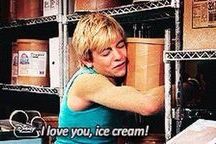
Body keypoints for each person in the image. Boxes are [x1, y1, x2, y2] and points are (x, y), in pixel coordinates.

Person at [55, 13, 164, 144]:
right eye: (106, 53)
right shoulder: (87, 81)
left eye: (120, 45)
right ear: (87, 59)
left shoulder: (112, 79)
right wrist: (192, 84)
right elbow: (149, 105)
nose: (119, 56)